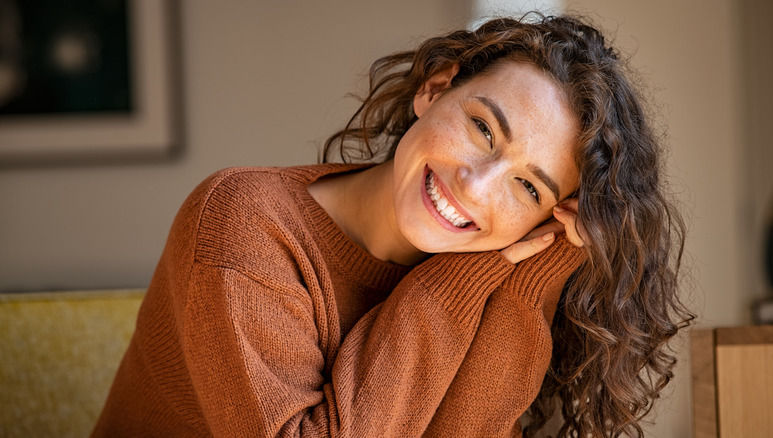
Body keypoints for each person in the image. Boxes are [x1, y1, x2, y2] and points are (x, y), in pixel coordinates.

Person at [93, 13, 692, 437]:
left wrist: (535, 274)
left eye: (528, 187)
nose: (476, 185)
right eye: (483, 129)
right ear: (434, 90)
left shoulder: (493, 277)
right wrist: (447, 288)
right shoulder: (243, 221)